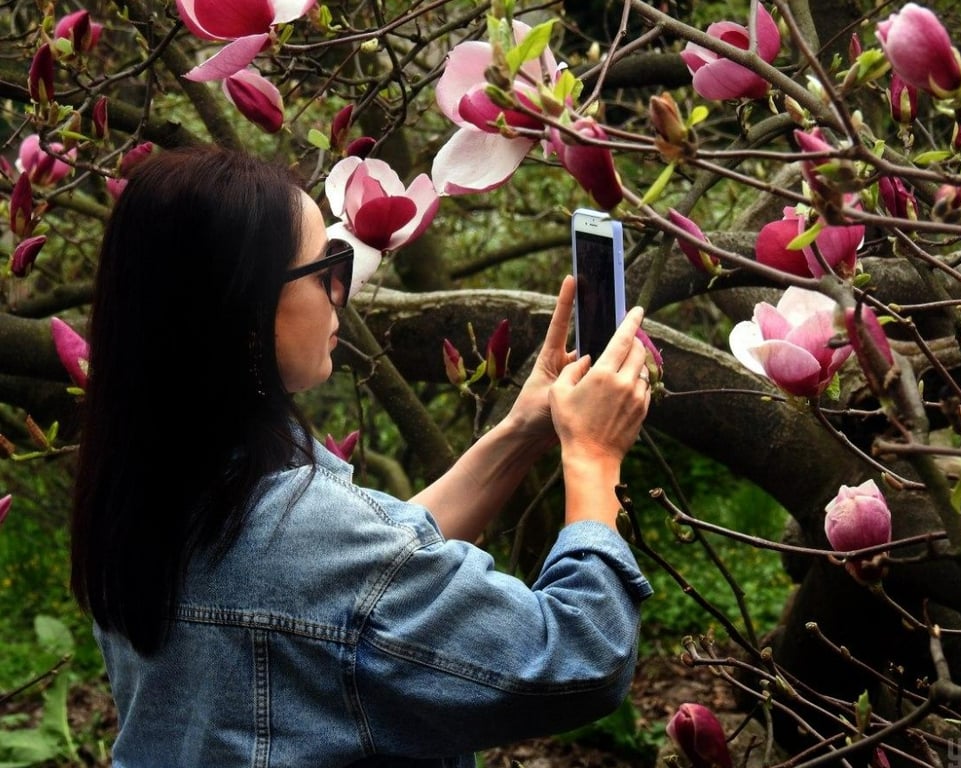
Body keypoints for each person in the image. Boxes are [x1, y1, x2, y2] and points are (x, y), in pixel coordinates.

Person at [70, 145, 653, 767]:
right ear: (244, 309)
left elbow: (362, 583)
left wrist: (520, 432)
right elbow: (576, 660)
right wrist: (592, 456)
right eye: (325, 268)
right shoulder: (306, 535)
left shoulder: (142, 488)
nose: (340, 291)